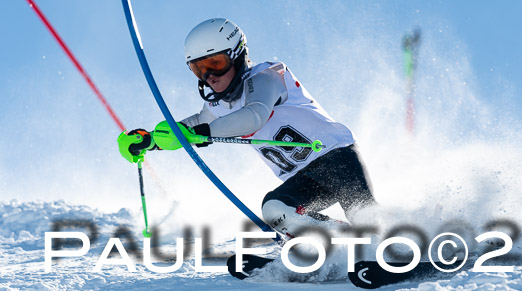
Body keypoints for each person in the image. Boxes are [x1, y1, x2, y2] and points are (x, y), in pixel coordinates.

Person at [118, 18, 375, 239]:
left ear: (238, 55)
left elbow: (254, 116)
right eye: (199, 69)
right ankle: (338, 246)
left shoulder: (268, 77)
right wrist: (149, 140)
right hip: (304, 178)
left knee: (365, 216)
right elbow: (192, 125)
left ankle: (393, 245)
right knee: (275, 208)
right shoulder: (220, 106)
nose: (210, 76)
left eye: (215, 64)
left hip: (337, 160)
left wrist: (201, 134)